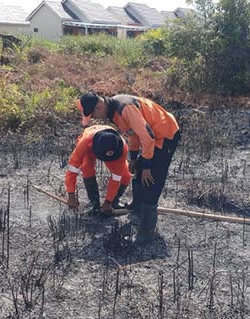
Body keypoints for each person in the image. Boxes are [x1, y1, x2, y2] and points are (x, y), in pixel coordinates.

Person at [77, 92, 181, 244]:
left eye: (93, 115)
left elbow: (147, 136)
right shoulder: (113, 111)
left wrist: (147, 166)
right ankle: (137, 208)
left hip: (165, 135)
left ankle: (146, 233)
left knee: (151, 179)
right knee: (137, 170)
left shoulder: (124, 108)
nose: (95, 119)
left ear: (99, 107)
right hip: (152, 137)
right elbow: (133, 133)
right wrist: (133, 158)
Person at [65, 125, 131, 215]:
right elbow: (73, 168)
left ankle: (114, 202)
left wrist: (108, 201)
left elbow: (116, 177)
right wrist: (71, 195)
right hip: (91, 145)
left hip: (114, 152)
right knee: (87, 168)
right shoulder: (84, 142)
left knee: (126, 176)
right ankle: (94, 204)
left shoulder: (122, 148)